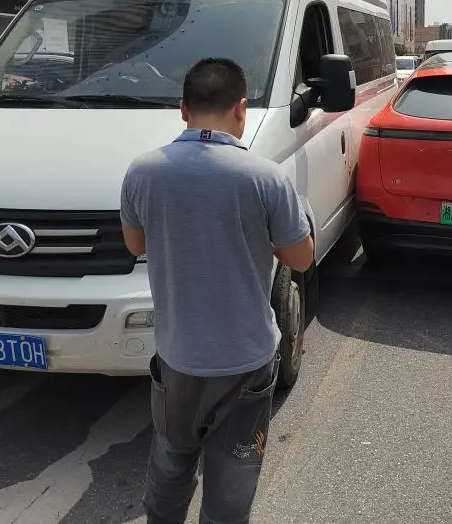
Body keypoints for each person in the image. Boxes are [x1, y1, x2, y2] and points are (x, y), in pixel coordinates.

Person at [120, 57, 314, 524]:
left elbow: (135, 245)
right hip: (246, 359)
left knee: (170, 465)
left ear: (183, 109)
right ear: (241, 108)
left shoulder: (143, 172)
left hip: (178, 357)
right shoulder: (265, 177)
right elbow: (301, 258)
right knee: (232, 482)